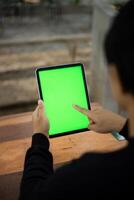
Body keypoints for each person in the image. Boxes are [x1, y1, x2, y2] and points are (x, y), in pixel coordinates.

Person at [19, 1, 134, 199]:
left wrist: (40, 138)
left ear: (115, 77)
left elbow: (31, 195)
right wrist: (122, 125)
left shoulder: (87, 178)